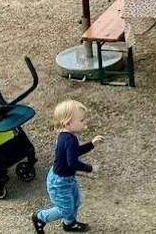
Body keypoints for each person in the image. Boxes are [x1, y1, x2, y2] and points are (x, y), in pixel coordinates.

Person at [32, 99, 97, 234]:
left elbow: (74, 152)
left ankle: (69, 224)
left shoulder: (66, 136)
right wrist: (90, 168)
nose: (86, 122)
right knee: (65, 209)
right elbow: (72, 163)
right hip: (59, 182)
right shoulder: (70, 140)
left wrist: (92, 144)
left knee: (75, 202)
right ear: (68, 123)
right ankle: (39, 217)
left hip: (66, 178)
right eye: (82, 120)